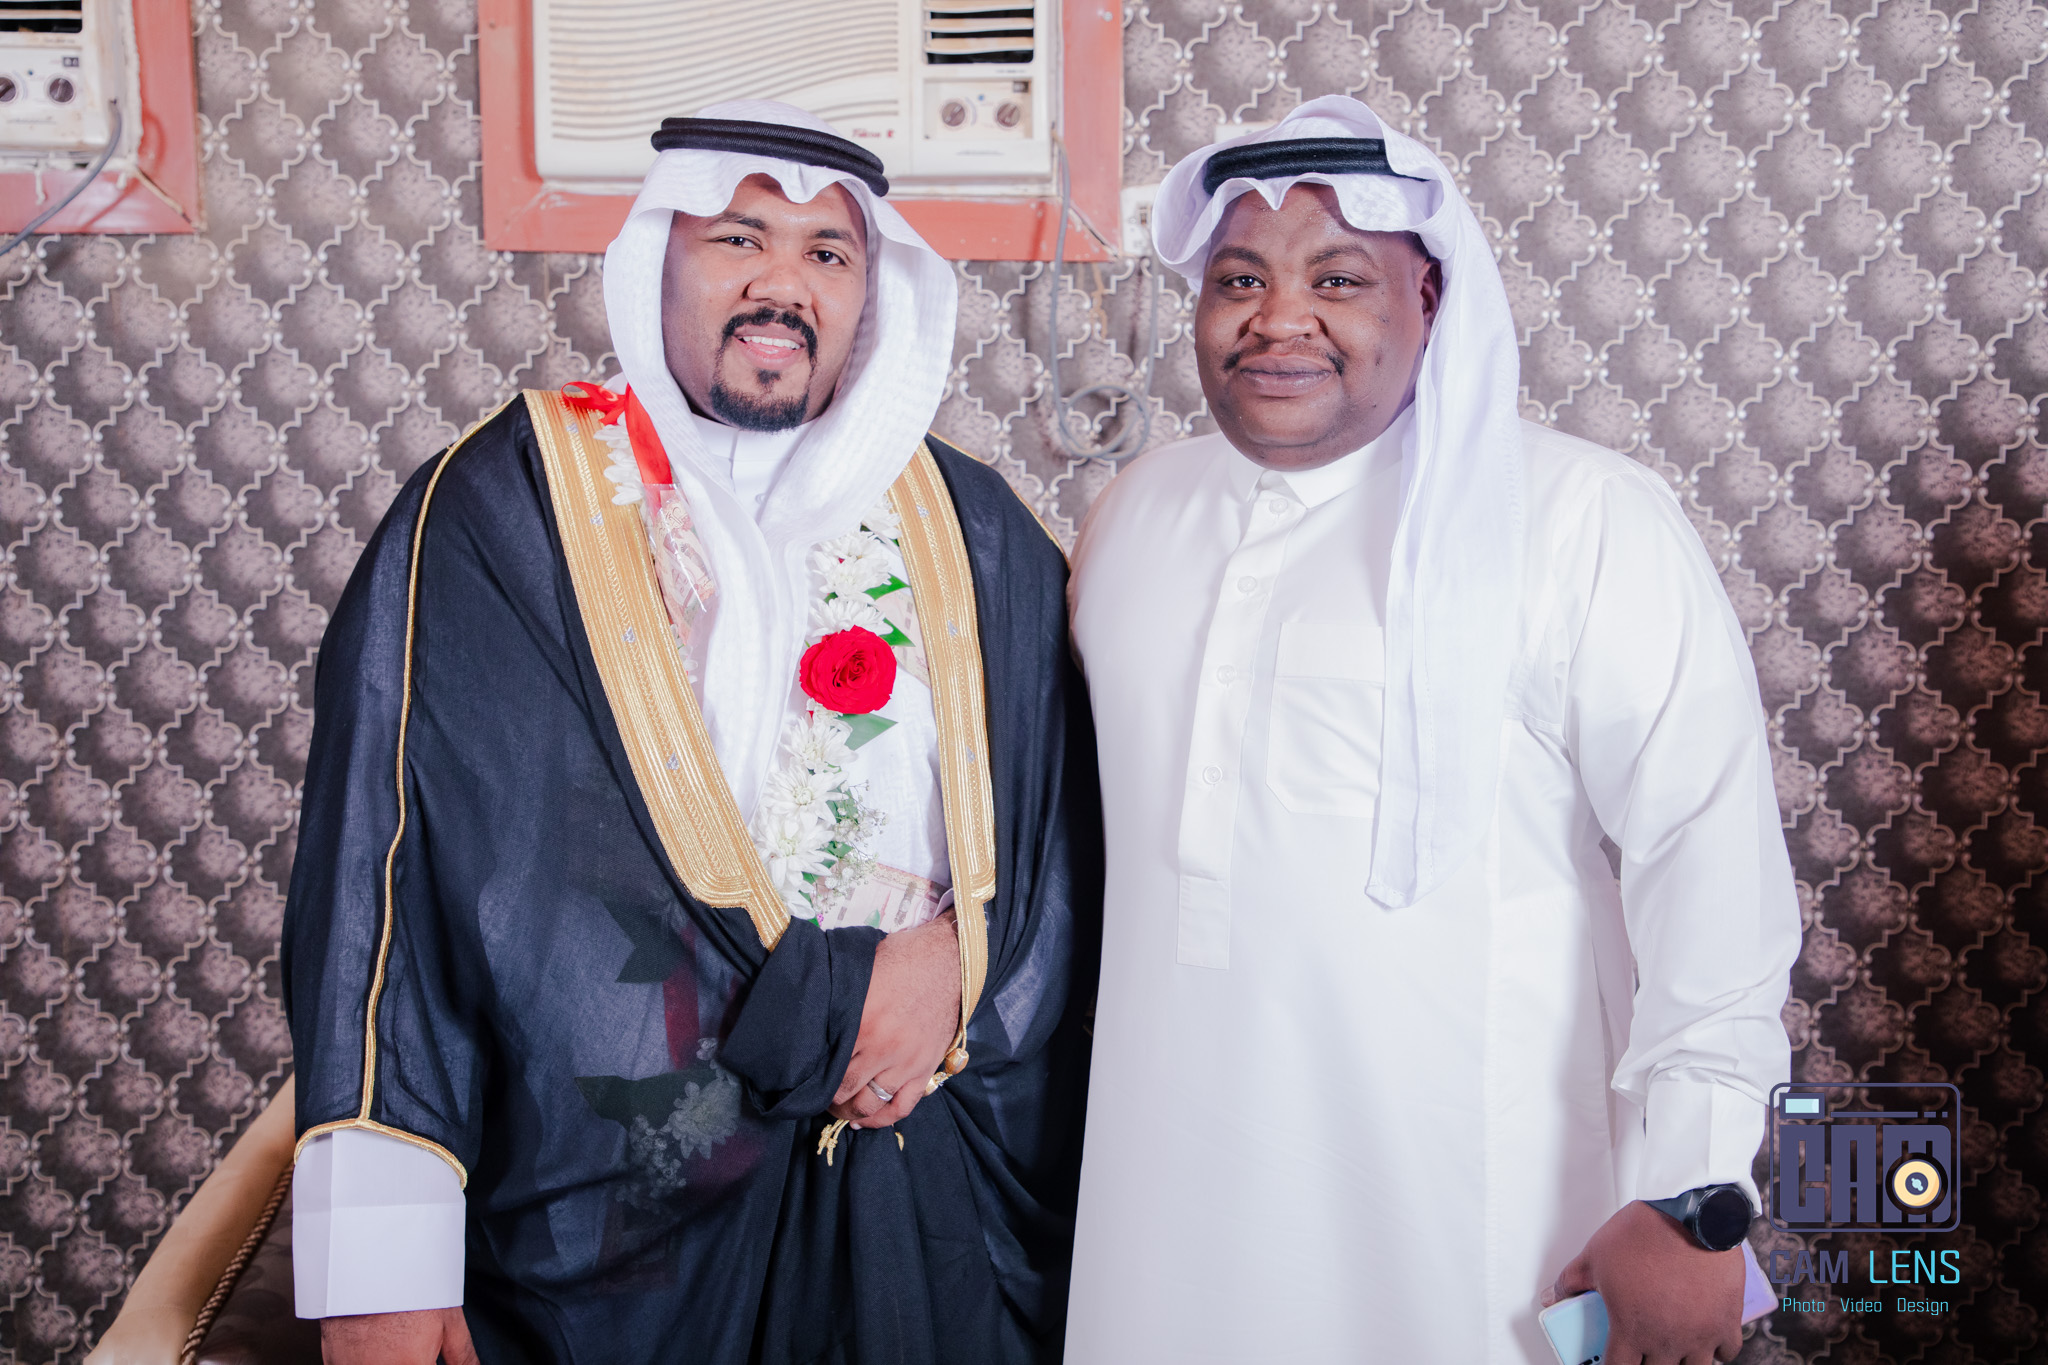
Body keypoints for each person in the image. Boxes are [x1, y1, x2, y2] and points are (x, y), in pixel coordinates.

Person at [284, 100, 1100, 1365]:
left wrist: (959, 963)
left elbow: (1073, 838)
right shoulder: (501, 514)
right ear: (656, 259)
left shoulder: (975, 529)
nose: (783, 285)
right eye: (737, 239)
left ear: (869, 293)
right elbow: (380, 892)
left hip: (912, 1179)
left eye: (826, 253)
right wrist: (378, 1271)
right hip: (608, 1214)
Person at [1063, 96, 1800, 1364]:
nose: (1276, 318)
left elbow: (1708, 864)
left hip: (1477, 1199)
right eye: (1237, 280)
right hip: (1160, 1190)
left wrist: (1691, 1195)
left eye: (1336, 279)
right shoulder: (1134, 512)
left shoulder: (1577, 516)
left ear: (1431, 298)